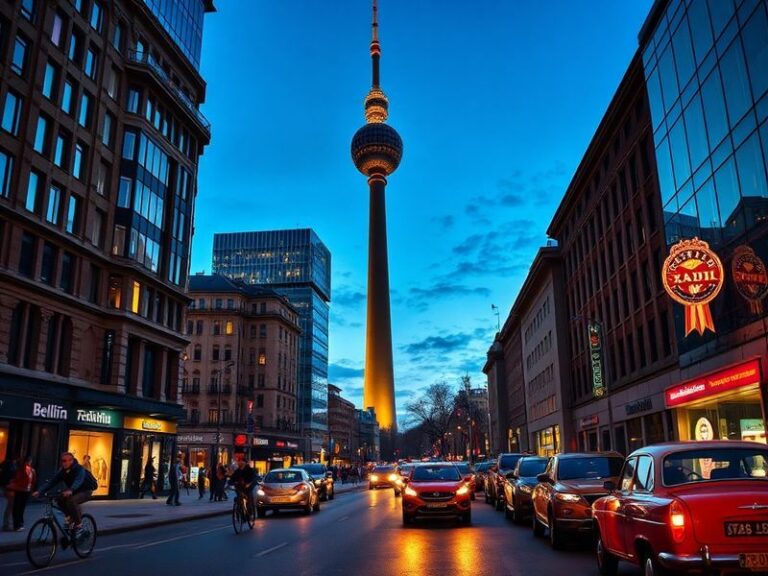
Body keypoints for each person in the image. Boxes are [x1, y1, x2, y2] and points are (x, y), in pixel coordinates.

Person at [33, 452, 94, 536]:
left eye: (66, 461)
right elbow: (52, 482)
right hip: (73, 491)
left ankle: (79, 526)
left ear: (71, 461)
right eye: (62, 461)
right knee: (59, 500)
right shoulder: (62, 471)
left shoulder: (79, 469)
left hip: (86, 491)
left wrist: (71, 489)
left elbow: (78, 480)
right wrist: (40, 491)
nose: (64, 463)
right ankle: (70, 518)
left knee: (71, 501)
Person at [8, 456, 36, 531]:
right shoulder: (31, 470)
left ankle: (17, 524)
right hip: (25, 491)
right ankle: (19, 524)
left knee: (17, 508)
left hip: (20, 490)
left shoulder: (22, 469)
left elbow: (17, 479)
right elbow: (33, 481)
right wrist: (31, 490)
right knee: (21, 508)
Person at [1, 457, 18, 531]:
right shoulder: (11, 466)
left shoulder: (5, 464)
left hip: (6, 487)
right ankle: (7, 525)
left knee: (10, 506)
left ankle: (7, 524)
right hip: (9, 488)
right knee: (10, 506)